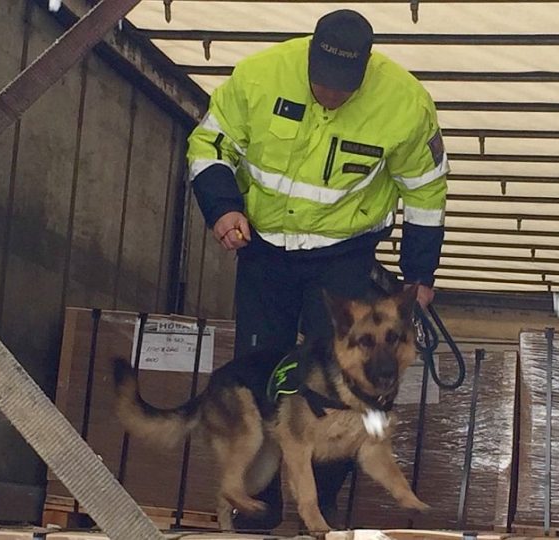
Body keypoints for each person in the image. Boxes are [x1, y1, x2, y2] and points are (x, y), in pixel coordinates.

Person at [186, 8, 448, 531]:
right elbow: (207, 146)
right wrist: (223, 207)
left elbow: (425, 192)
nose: (330, 96)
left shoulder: (405, 104)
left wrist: (418, 275)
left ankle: (319, 513)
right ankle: (257, 520)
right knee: (263, 376)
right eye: (321, 84)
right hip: (265, 253)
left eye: (344, 89)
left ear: (366, 71)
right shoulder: (259, 77)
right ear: (308, 55)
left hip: (342, 255)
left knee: (345, 386)